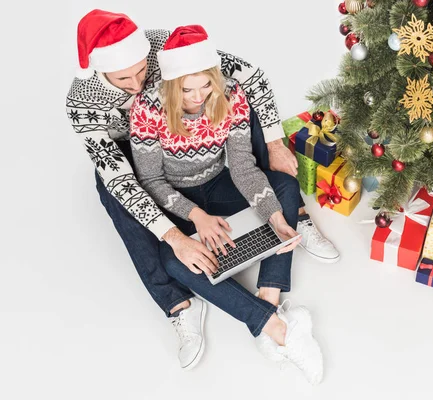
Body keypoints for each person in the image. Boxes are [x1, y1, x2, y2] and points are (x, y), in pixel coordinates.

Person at [65, 10, 338, 370]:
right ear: (100, 71)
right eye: (123, 78)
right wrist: (179, 234)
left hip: (205, 156)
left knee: (274, 175)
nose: (136, 83)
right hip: (143, 155)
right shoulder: (93, 102)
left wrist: (273, 143)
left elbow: (243, 88)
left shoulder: (176, 55)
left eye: (142, 71)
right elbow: (137, 179)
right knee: (113, 187)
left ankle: (278, 262)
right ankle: (179, 304)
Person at [130, 25, 324, 384]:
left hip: (219, 182)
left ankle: (270, 294)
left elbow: (244, 167)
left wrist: (276, 219)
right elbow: (150, 182)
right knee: (173, 260)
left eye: (206, 85)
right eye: (187, 89)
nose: (198, 96)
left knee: (283, 186)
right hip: (177, 196)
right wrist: (197, 216)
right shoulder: (147, 109)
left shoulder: (231, 94)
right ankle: (273, 325)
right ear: (172, 85)